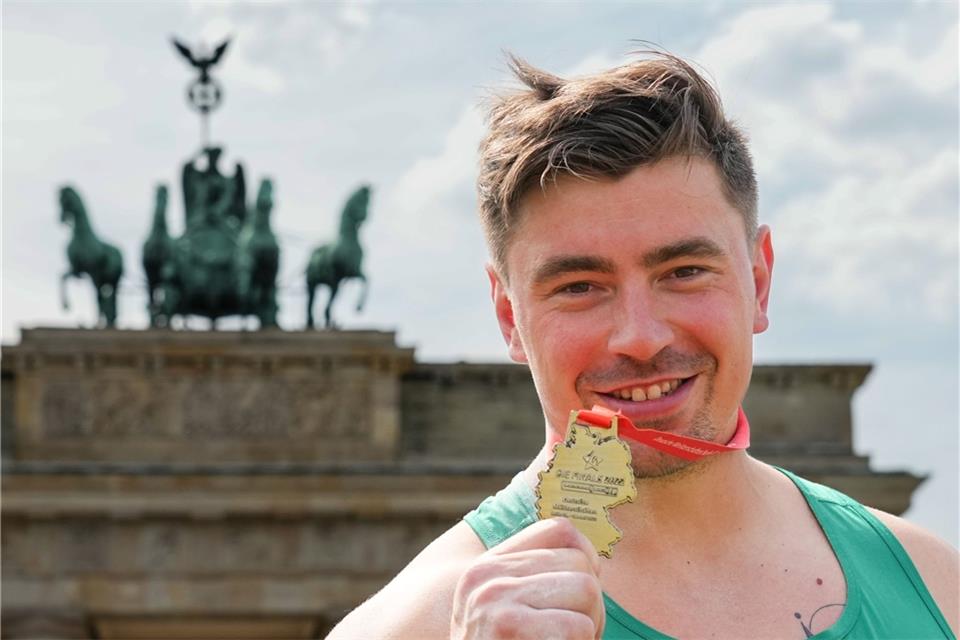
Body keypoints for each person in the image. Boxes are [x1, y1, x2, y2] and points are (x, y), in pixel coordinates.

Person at [328, 51, 958, 639]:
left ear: (758, 282)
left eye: (684, 272)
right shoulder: (410, 627)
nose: (640, 337)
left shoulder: (941, 591)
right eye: (580, 286)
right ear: (509, 317)